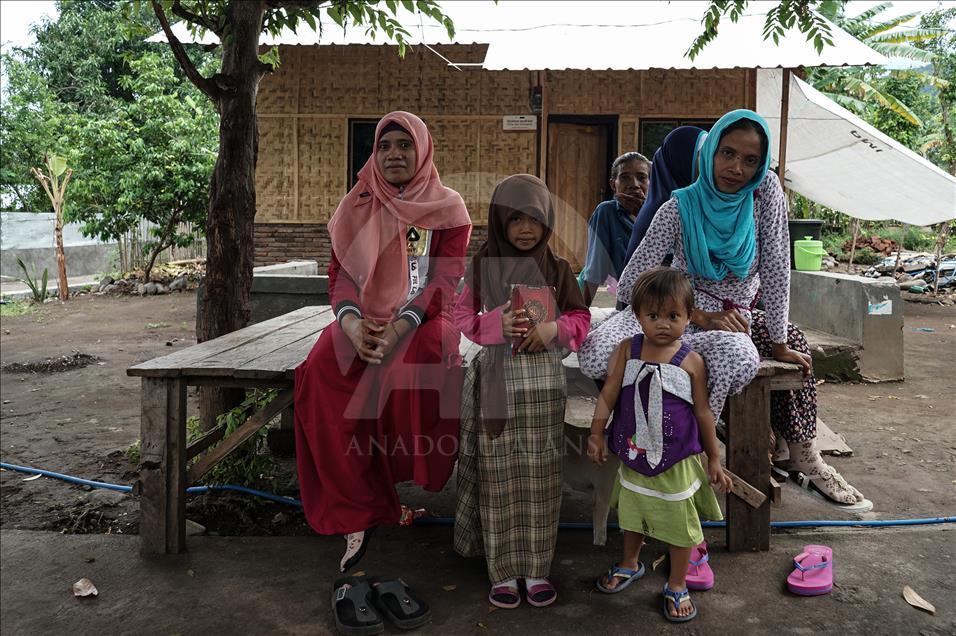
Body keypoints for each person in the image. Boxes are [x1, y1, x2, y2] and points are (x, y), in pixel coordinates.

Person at [578, 109, 866, 508]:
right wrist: (690, 313)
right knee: (594, 356)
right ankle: (643, 432)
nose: (736, 168)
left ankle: (698, 443)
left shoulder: (764, 195)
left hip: (732, 322)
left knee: (744, 355)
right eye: (727, 154)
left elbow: (778, 269)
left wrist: (779, 341)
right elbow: (629, 283)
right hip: (674, 313)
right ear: (710, 152)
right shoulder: (679, 206)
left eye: (750, 160)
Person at [294, 111, 472, 573]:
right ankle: (356, 507)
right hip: (363, 318)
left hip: (424, 317)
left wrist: (401, 325)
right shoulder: (355, 204)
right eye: (385, 146)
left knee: (413, 363)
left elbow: (444, 280)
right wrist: (351, 324)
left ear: (423, 150)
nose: (394, 154)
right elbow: (341, 277)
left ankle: (400, 483)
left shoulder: (447, 208)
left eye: (404, 145)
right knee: (320, 374)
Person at [452, 174, 590, 609]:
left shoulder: (559, 269)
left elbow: (581, 319)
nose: (525, 229)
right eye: (514, 220)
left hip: (543, 394)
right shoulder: (484, 264)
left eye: (533, 218)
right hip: (495, 385)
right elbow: (460, 314)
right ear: (499, 223)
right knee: (499, 480)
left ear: (547, 220)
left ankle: (536, 568)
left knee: (541, 477)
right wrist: (495, 324)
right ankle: (503, 571)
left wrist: (554, 327)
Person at [588, 268, 731, 622]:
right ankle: (630, 562)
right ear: (637, 316)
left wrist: (714, 457)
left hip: (677, 460)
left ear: (688, 317)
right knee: (633, 512)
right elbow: (608, 393)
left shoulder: (692, 361)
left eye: (673, 316)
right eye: (653, 316)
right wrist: (596, 432)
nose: (663, 324)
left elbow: (703, 412)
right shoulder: (627, 350)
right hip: (634, 454)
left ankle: (677, 582)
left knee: (679, 522)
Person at [624, 126, 707, 263]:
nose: (710, 162)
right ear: (682, 160)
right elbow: (639, 277)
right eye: (702, 154)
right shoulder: (663, 214)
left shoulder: (706, 205)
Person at [578, 152, 651, 305]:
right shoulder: (606, 213)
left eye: (642, 177)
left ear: (651, 183)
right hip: (627, 302)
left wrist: (643, 213)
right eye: (624, 177)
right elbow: (594, 271)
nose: (634, 184)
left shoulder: (660, 214)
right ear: (613, 185)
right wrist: (581, 314)